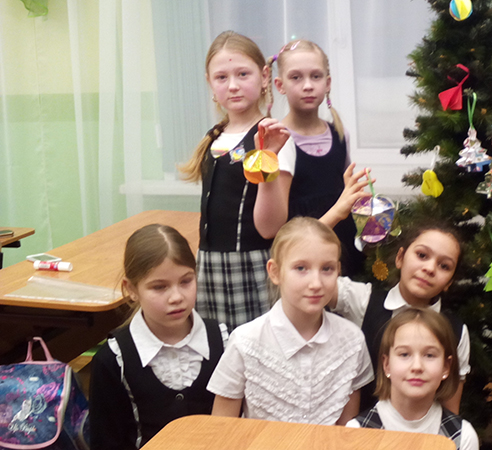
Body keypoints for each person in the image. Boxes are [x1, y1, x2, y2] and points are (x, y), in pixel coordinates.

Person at [207, 217, 373, 425]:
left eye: (327, 269)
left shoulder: (352, 341)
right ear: (275, 272)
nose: (316, 283)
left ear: (338, 270)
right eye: (301, 268)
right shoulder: (245, 341)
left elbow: (346, 430)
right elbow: (221, 428)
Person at [179, 30, 292, 330]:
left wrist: (267, 156)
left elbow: (270, 227)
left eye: (243, 74)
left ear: (264, 76)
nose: (232, 85)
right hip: (209, 267)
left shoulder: (274, 137)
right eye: (221, 77)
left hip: (253, 267)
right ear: (210, 83)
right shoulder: (215, 136)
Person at [90, 224, 226, 450]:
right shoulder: (113, 360)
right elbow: (105, 442)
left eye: (186, 281)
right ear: (131, 289)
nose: (176, 297)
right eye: (160, 287)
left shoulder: (224, 341)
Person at [329, 223, 470, 413]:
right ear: (400, 258)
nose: (430, 268)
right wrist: (337, 214)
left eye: (444, 266)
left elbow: (450, 413)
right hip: (363, 427)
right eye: (422, 255)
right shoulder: (362, 300)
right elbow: (303, 271)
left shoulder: (456, 332)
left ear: (449, 282)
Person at [257, 39, 368, 277]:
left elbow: (345, 192)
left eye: (316, 76)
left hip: (343, 249)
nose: (307, 85)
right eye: (296, 77)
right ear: (280, 85)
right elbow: (278, 224)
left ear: (327, 83)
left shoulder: (339, 133)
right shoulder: (279, 141)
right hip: (304, 257)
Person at [347, 308, 479, 450]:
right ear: (387, 365)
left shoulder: (461, 436)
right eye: (404, 354)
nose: (417, 366)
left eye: (429, 355)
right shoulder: (357, 432)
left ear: (446, 367)